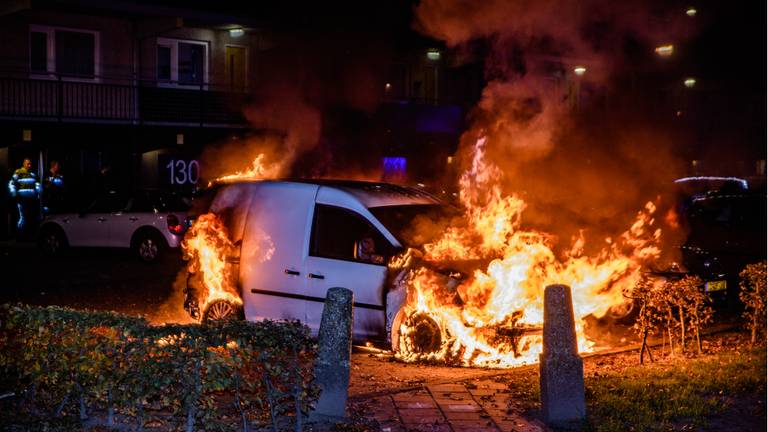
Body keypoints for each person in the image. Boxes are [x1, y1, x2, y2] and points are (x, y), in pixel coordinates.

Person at [7, 158, 41, 239]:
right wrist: (14, 193)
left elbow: (37, 184)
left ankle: (29, 235)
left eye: (30, 164)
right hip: (22, 198)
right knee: (22, 217)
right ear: (24, 164)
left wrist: (39, 192)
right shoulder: (18, 172)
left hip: (32, 199)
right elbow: (11, 183)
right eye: (28, 164)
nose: (29, 165)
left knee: (31, 216)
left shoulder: (33, 174)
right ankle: (20, 236)